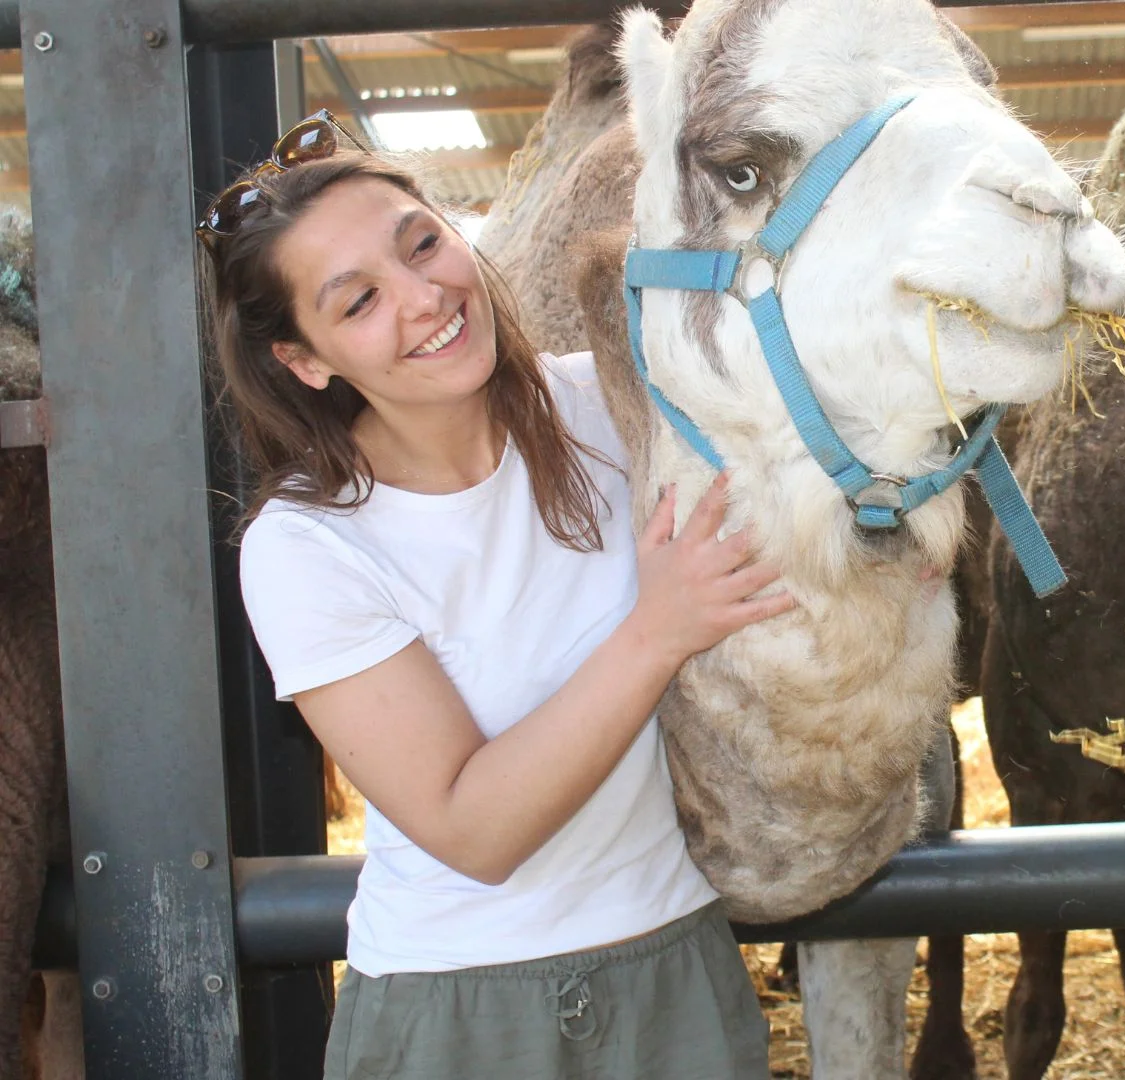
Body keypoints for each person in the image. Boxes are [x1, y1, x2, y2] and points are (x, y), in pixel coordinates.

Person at [200, 111, 790, 1079]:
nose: (424, 296)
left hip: (677, 973)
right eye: (358, 303)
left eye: (423, 243)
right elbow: (474, 828)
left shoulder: (610, 406)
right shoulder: (305, 547)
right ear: (305, 363)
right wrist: (656, 633)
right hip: (458, 1013)